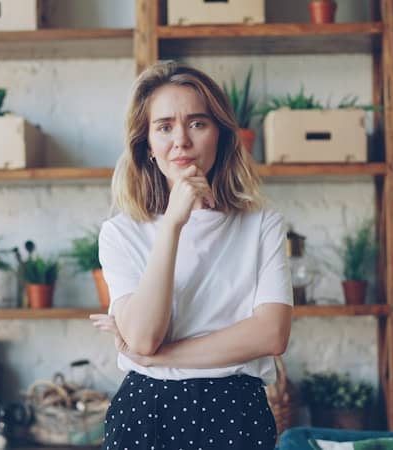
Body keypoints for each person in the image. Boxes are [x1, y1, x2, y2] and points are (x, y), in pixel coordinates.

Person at [89, 61, 293, 450]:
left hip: (237, 411)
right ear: (147, 145)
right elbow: (144, 338)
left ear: (221, 136)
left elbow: (271, 334)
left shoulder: (262, 224)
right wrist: (172, 224)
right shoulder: (120, 233)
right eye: (164, 127)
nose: (181, 140)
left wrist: (161, 358)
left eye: (197, 123)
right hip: (146, 413)